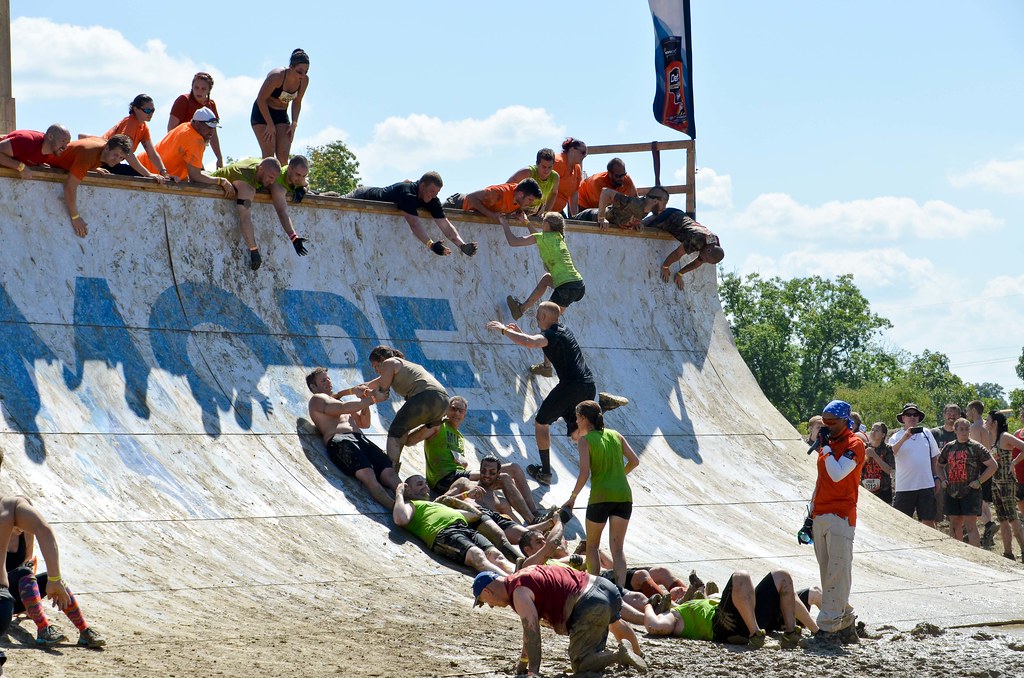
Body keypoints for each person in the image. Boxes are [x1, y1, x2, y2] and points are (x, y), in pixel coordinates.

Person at [486, 302, 628, 485]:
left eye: (538, 314)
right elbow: (538, 341)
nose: (536, 316)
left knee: (541, 422)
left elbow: (531, 342)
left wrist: (504, 330)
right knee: (576, 435)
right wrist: (520, 333)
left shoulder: (550, 334)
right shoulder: (563, 330)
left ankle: (545, 472)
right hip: (587, 384)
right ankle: (603, 407)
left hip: (571, 387)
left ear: (544, 317)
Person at [472, 566, 647, 676]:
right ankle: (638, 656)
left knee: (581, 665)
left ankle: (620, 654)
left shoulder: (518, 593)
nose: (490, 606)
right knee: (602, 648)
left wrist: (533, 671)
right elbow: (529, 633)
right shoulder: (523, 575)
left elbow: (532, 633)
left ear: (487, 592)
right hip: (606, 588)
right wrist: (523, 662)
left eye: (483, 602)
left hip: (590, 603)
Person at [0, 495, 104, 648]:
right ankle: (44, 628)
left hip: (17, 594)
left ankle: (84, 630)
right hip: (3, 598)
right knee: (23, 572)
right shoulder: (3, 524)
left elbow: (27, 562)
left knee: (52, 578)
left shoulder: (27, 535)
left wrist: (31, 599)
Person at [560, 400, 639, 588]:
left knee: (592, 546)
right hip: (623, 495)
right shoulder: (616, 435)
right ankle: (620, 590)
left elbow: (584, 473)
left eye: (578, 418)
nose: (576, 422)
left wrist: (572, 497)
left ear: (584, 419)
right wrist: (618, 475)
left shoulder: (585, 441)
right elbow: (634, 461)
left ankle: (593, 588)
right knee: (618, 549)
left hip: (600, 496)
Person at [807, 400, 865, 645]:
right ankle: (846, 620)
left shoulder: (856, 443)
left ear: (845, 421)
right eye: (824, 422)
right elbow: (822, 481)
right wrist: (809, 516)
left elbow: (838, 473)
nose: (827, 426)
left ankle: (828, 629)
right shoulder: (826, 447)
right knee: (828, 574)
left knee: (837, 573)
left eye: (832, 422)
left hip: (841, 516)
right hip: (821, 514)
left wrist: (827, 448)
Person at [501, 213, 585, 376]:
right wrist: (526, 222)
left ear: (547, 225)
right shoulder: (557, 236)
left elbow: (513, 242)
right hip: (577, 285)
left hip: (566, 287)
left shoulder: (543, 237)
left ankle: (547, 366)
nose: (541, 223)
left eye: (543, 221)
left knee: (549, 327)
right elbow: (540, 238)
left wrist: (503, 222)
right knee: (547, 279)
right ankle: (521, 309)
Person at [306, 367, 398, 510]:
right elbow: (341, 409)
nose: (328, 382)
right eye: (323, 380)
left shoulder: (340, 401)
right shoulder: (317, 399)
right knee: (368, 475)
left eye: (329, 378)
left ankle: (413, 502)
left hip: (361, 439)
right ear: (314, 386)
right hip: (341, 440)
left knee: (389, 472)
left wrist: (364, 400)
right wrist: (372, 399)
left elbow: (364, 423)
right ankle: (394, 507)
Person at [642, 570, 809, 648]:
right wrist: (650, 605)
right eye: (673, 592)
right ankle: (755, 634)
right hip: (723, 626)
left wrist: (702, 590)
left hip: (748, 616)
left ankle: (791, 632)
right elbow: (655, 627)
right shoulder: (677, 613)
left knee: (782, 576)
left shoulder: (704, 601)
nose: (680, 589)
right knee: (741, 576)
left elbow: (704, 593)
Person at [393, 475, 514, 574]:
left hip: (464, 527)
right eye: (420, 484)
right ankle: (510, 583)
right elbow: (400, 519)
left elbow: (475, 514)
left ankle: (524, 577)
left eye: (426, 484)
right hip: (444, 533)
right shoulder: (411, 505)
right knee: (477, 556)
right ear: (408, 490)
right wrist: (399, 493)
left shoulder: (435, 504)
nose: (425, 487)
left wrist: (464, 497)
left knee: (496, 555)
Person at [360, 346, 449, 473]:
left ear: (381, 359)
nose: (376, 370)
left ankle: (389, 470)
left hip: (426, 397)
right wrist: (341, 394)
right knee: (404, 434)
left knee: (395, 431)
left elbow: (382, 392)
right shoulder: (404, 366)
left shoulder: (389, 363)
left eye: (375, 366)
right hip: (443, 403)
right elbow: (368, 385)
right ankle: (394, 466)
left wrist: (367, 395)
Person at [345, 172, 477, 256]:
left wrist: (462, 245)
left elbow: (445, 225)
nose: (433, 196)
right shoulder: (408, 193)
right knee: (335, 200)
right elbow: (414, 224)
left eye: (436, 193)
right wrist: (431, 245)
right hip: (362, 196)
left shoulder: (432, 200)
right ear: (422, 185)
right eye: (431, 191)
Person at [211, 157, 308, 271]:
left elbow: (304, 183)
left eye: (304, 176)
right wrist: (254, 250)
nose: (271, 182)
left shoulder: (273, 171)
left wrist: (304, 189)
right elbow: (245, 217)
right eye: (271, 178)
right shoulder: (249, 186)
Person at [141, 108, 236, 202]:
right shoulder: (196, 140)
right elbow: (195, 177)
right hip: (150, 177)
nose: (211, 132)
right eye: (209, 127)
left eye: (214, 128)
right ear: (197, 123)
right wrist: (221, 181)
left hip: (142, 167)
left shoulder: (185, 126)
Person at [51, 134, 132, 237]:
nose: (117, 160)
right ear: (107, 147)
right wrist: (75, 217)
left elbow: (81, 142)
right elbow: (69, 187)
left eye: (121, 158)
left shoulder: (103, 146)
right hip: (45, 162)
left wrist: (91, 167)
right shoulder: (89, 155)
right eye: (115, 155)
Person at [937, 417, 997, 547]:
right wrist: (943, 480)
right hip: (952, 491)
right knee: (954, 524)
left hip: (970, 492)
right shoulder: (949, 447)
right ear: (955, 430)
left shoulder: (976, 447)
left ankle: (975, 554)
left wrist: (979, 481)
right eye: (961, 429)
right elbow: (939, 465)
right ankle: (957, 554)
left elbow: (993, 465)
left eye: (967, 429)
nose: (964, 432)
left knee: (970, 525)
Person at [443, 453, 542, 526]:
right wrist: (466, 495)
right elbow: (440, 502)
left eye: (492, 473)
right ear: (479, 470)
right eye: (483, 471)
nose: (486, 475)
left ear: (498, 474)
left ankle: (533, 518)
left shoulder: (501, 503)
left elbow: (519, 529)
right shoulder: (465, 483)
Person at [642, 207, 725, 290]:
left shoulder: (714, 242)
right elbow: (678, 253)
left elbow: (698, 262)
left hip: (680, 215)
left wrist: (680, 274)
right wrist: (665, 267)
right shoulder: (698, 240)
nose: (703, 260)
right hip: (667, 217)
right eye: (705, 259)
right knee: (640, 227)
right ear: (708, 250)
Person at [252, 48, 310, 164]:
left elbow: (297, 102)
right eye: (299, 71)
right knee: (269, 156)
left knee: (283, 157)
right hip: (263, 113)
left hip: (281, 114)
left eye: (306, 72)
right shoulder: (277, 76)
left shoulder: (303, 81)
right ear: (291, 67)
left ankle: (282, 182)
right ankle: (264, 181)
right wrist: (269, 123)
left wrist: (294, 123)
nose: (303, 75)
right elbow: (261, 99)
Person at [889, 403, 941, 528]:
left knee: (928, 521)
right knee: (902, 523)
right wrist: (904, 438)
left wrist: (936, 477)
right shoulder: (896, 437)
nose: (912, 417)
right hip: (905, 487)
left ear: (918, 418)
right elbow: (890, 454)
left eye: (915, 415)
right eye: (908, 414)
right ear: (903, 418)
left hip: (926, 485)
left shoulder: (926, 433)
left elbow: (935, 457)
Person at [101, 94, 169, 181]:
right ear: (135, 109)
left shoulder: (143, 127)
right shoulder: (131, 123)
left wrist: (164, 173)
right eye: (147, 110)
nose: (151, 113)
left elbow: (152, 153)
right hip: (103, 162)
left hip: (112, 163)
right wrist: (148, 174)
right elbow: (128, 153)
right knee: (142, 177)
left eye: (153, 110)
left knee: (143, 175)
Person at [985, 411, 1024, 560]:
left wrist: (1014, 462)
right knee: (1002, 519)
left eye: (988, 420)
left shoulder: (1005, 436)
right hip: (996, 483)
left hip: (1007, 483)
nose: (986, 422)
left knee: (1013, 519)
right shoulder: (991, 437)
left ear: (994, 423)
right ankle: (1008, 553)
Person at [168, 72, 224, 169]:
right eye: (196, 87)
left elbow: (213, 134)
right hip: (179, 151)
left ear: (209, 90)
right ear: (192, 86)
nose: (199, 91)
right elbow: (171, 130)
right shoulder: (183, 100)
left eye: (203, 89)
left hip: (196, 152)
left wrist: (219, 158)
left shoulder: (211, 105)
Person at [448, 178, 543, 224]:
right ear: (521, 194)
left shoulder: (520, 198)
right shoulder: (498, 194)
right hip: (457, 204)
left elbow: (515, 206)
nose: (531, 203)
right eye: (530, 200)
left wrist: (519, 212)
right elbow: (470, 197)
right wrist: (491, 215)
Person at [968, 400, 997, 546]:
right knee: (984, 502)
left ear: (973, 410)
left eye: (968, 411)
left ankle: (988, 524)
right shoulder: (987, 425)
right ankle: (989, 537)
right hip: (989, 465)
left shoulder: (974, 427)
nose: (967, 414)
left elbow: (975, 450)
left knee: (974, 501)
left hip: (979, 466)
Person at [577, 185, 668, 230]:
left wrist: (636, 223)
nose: (664, 208)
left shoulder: (645, 210)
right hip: (588, 217)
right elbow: (605, 192)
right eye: (664, 203)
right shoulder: (633, 203)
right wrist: (601, 218)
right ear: (655, 201)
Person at [0, 124, 71, 178]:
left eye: (67, 143)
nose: (65, 147)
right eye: (63, 141)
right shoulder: (27, 141)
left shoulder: (49, 152)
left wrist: (37, 163)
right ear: (50, 137)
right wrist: (21, 167)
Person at [507, 148, 560, 215]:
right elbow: (507, 187)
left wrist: (546, 212)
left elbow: (554, 193)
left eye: (550, 167)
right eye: (543, 167)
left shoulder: (555, 177)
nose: (546, 171)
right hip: (518, 209)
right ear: (537, 164)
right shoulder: (527, 172)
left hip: (537, 210)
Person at [861, 422, 895, 506]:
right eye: (872, 429)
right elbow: (857, 468)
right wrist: (865, 457)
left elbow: (888, 470)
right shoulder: (863, 447)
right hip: (865, 489)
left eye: (877, 430)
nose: (873, 432)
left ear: (883, 435)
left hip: (883, 490)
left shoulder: (888, 449)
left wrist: (875, 456)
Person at [552, 137, 587, 216]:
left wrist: (575, 217)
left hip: (558, 212)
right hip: (545, 210)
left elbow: (574, 194)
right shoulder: (558, 162)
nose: (585, 156)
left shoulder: (577, 168)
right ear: (572, 150)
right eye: (583, 152)